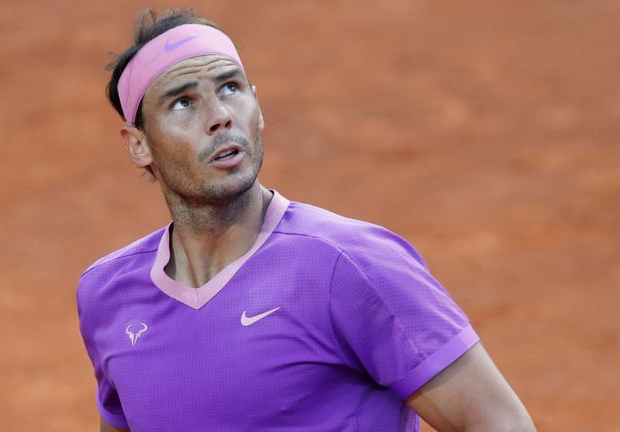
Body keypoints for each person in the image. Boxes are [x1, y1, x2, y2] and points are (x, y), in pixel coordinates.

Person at [77, 8, 536, 432]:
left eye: (230, 89)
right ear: (138, 145)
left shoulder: (350, 266)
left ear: (258, 109)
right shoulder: (108, 296)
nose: (219, 117)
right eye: (183, 103)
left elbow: (500, 424)